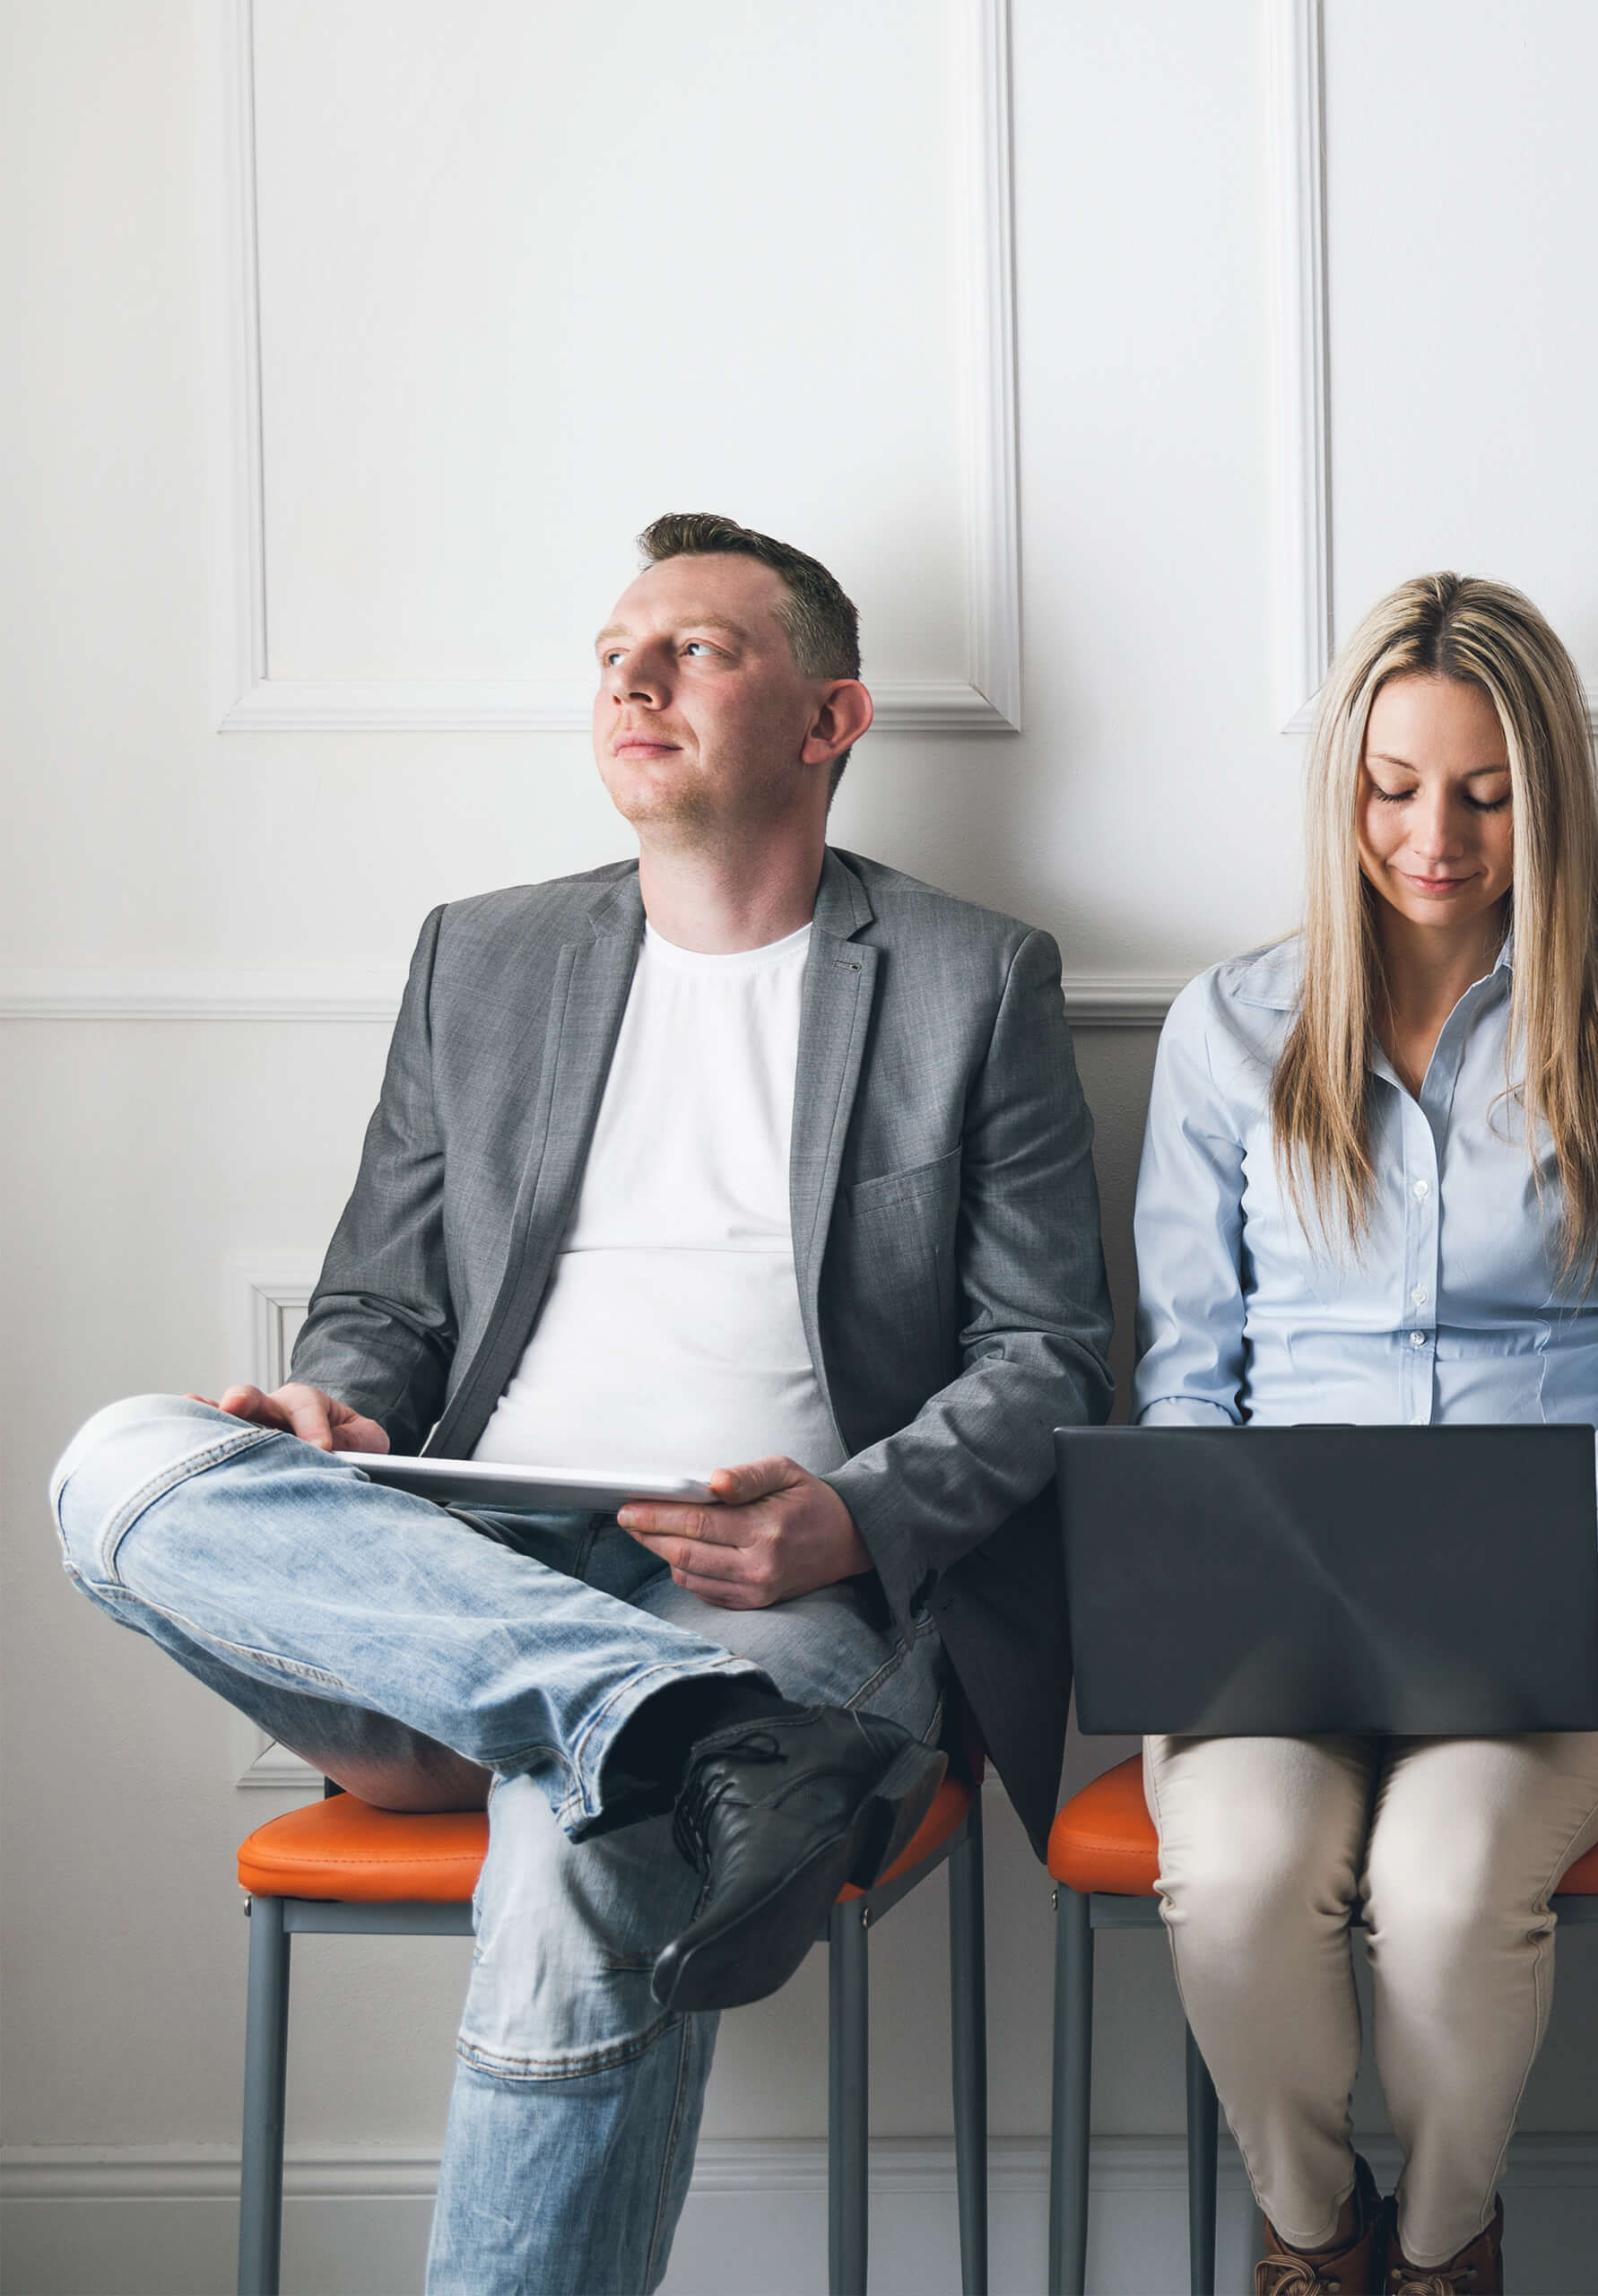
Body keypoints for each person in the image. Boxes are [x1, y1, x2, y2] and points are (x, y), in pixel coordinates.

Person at [47, 514, 1114, 2296]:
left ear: (830, 717)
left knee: (578, 1854)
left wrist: (847, 1513)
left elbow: (1048, 1359)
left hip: (769, 1589)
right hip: (449, 1581)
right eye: (616, 648)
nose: (631, 676)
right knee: (114, 1459)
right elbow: (384, 1306)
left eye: (695, 648)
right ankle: (674, 1730)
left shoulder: (965, 976)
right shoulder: (482, 956)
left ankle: (657, 1727)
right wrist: (333, 1407)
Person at [1128, 572, 1598, 2296]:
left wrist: (1522, 1561)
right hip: (1273, 1612)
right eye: (1396, 786)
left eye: (1486, 792)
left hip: (1556, 1604)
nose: (1436, 836)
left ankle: (1449, 2249)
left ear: (1544, 797)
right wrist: (1241, 1571)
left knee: (1450, 1888)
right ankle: (1313, 2240)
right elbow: (1186, 1373)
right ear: (1346, 787)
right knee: (1240, 1881)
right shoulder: (1228, 1028)